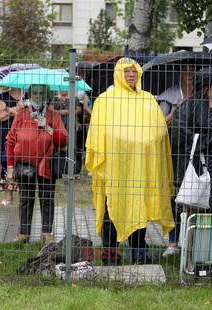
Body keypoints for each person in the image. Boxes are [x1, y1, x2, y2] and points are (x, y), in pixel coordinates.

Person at [85, 57, 175, 265]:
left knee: (139, 210)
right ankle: (110, 258)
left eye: (135, 71)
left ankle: (139, 256)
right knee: (111, 211)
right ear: (118, 74)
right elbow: (100, 134)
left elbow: (158, 131)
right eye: (126, 71)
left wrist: (140, 140)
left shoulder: (147, 100)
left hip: (141, 168)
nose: (131, 75)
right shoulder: (107, 100)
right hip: (114, 168)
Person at [5, 84, 67, 244]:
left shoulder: (53, 116)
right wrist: (10, 167)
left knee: (47, 198)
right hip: (25, 163)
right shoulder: (21, 115)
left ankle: (47, 233)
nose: (38, 96)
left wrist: (47, 127)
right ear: (29, 95)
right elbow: (10, 141)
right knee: (25, 197)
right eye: (35, 93)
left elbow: (62, 141)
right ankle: (24, 233)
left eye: (41, 93)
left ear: (47, 95)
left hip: (47, 164)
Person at [170, 67, 212, 254]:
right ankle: (194, 258)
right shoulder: (190, 107)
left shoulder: (189, 106)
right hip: (197, 167)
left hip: (201, 164)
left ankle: (201, 255)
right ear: (207, 87)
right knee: (195, 213)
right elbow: (185, 139)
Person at [158, 64, 196, 256]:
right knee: (176, 197)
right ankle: (173, 242)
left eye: (193, 70)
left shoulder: (204, 93)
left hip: (198, 153)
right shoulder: (170, 95)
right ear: (179, 73)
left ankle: (195, 244)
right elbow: (157, 122)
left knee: (197, 198)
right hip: (175, 154)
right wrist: (177, 110)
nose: (190, 74)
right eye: (186, 70)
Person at [0, 87, 26, 206]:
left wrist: (7, 111)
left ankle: (21, 195)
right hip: (5, 135)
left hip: (23, 135)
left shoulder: (27, 97)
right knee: (6, 162)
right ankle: (9, 196)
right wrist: (16, 109)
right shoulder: (3, 96)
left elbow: (30, 115)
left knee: (21, 163)